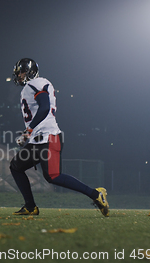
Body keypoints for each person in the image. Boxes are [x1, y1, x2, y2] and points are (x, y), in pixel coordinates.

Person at [9, 58, 109, 217]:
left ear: (29, 71)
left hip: (48, 137)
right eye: (18, 73)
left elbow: (45, 108)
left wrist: (28, 131)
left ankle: (96, 194)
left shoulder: (36, 83)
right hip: (38, 139)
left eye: (21, 72)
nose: (19, 76)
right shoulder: (34, 85)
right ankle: (30, 206)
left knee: (53, 176)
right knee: (16, 166)